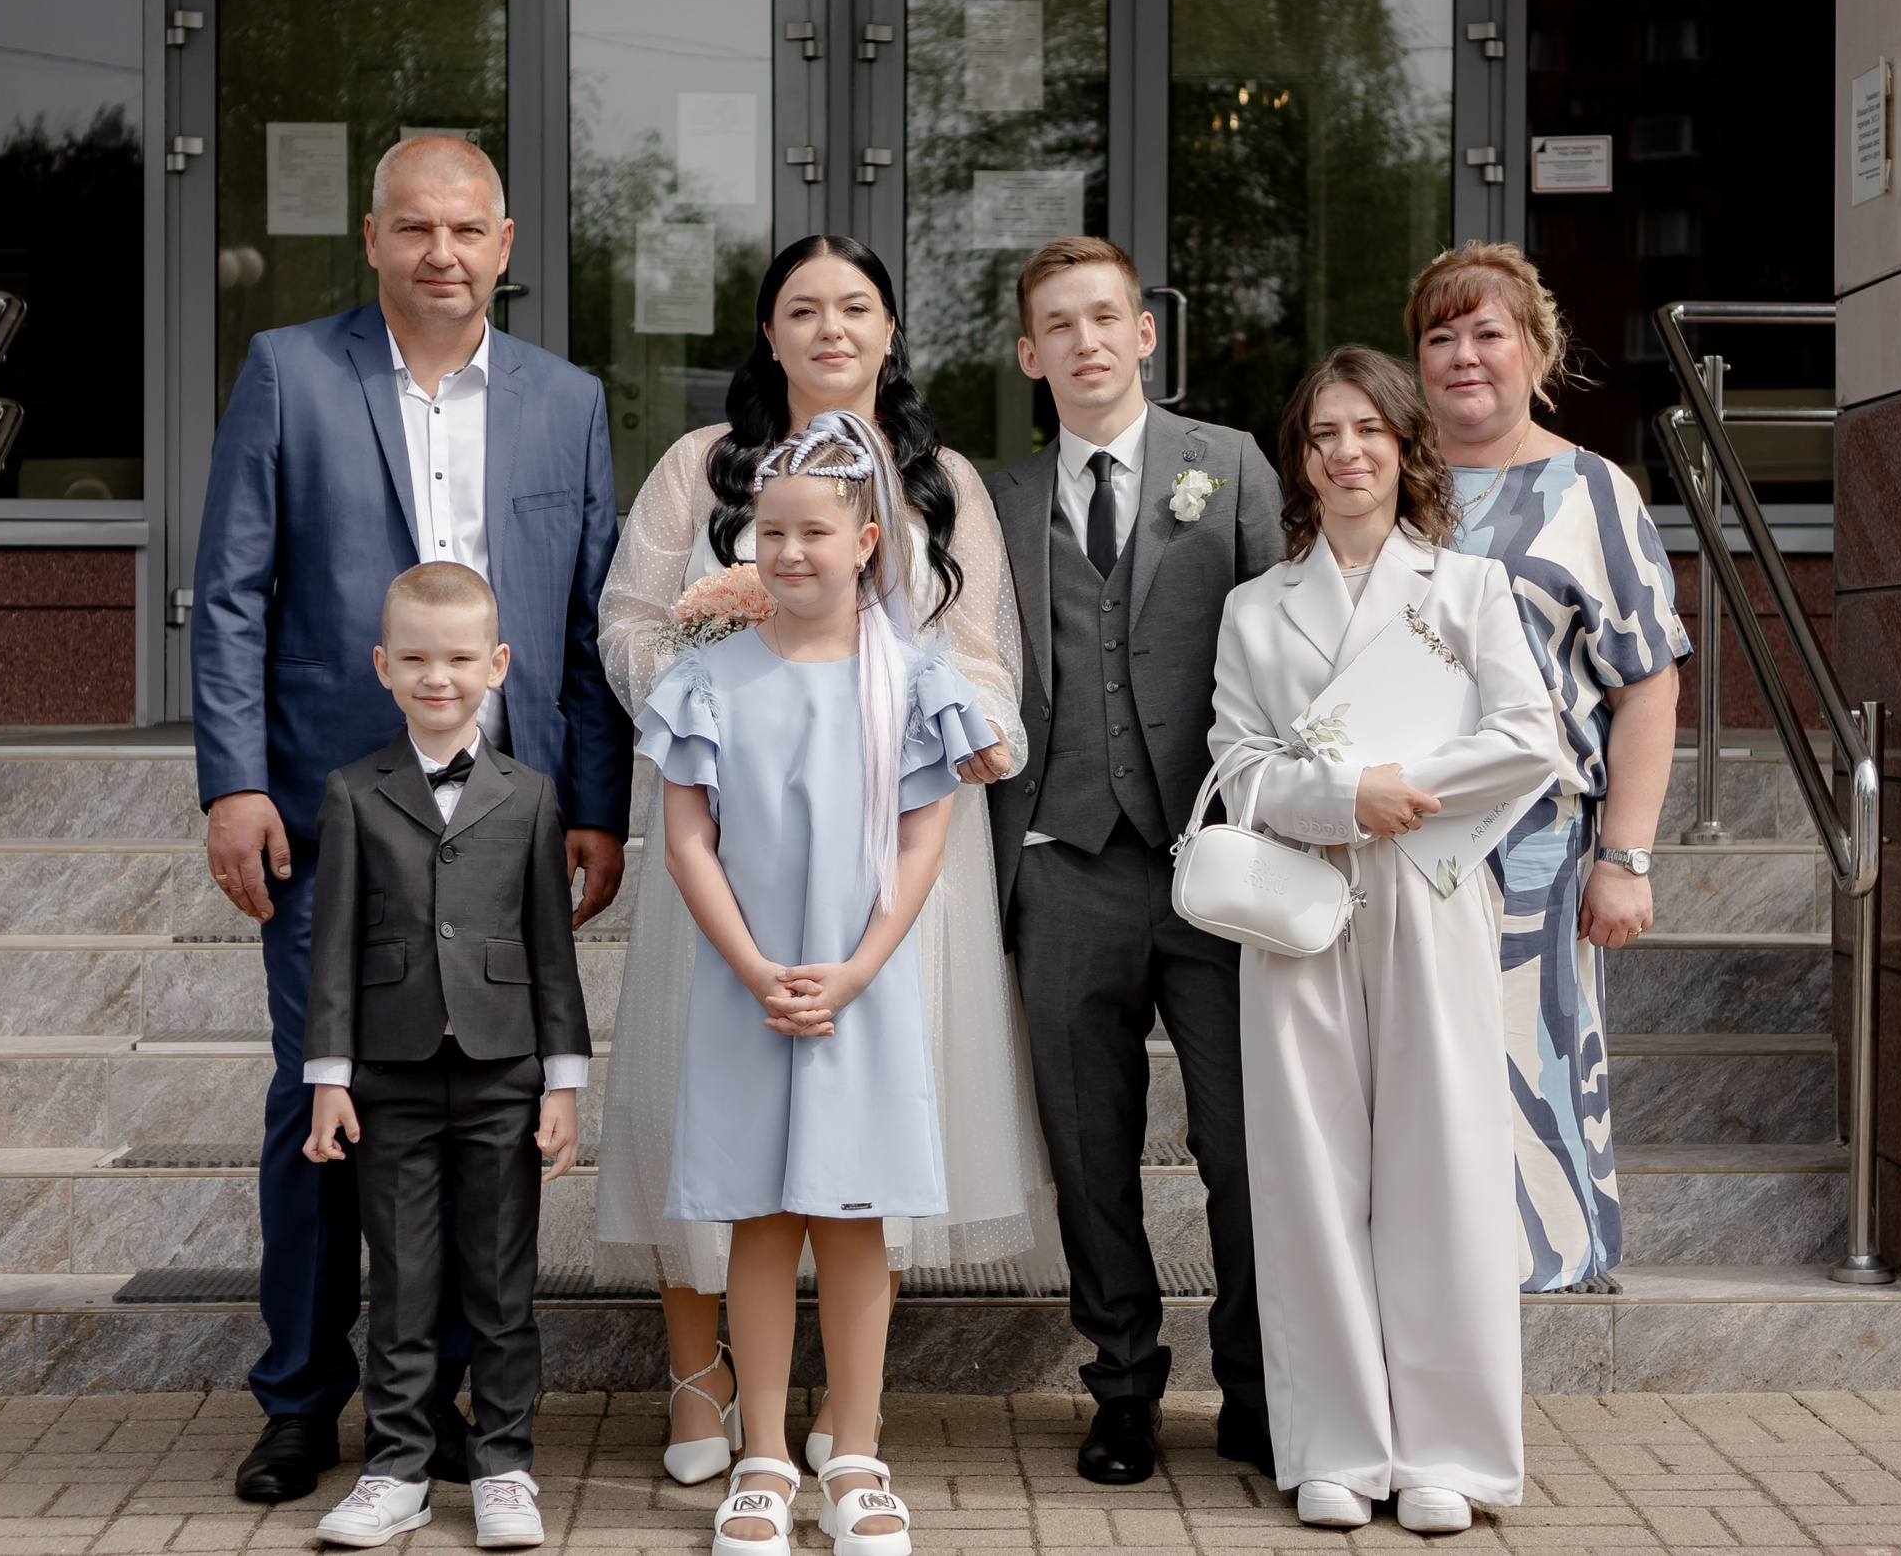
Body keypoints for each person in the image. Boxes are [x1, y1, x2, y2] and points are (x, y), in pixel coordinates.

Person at [193, 134, 632, 1502]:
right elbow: (232, 592)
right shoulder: (291, 371)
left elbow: (585, 615)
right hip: (331, 813)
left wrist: (597, 803)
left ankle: (449, 1403)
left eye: (468, 231)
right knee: (322, 1101)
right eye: (415, 228)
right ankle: (300, 1396)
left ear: (506, 244)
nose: (442, 253)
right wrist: (233, 778)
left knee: (478, 1116)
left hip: (508, 822)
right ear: (374, 238)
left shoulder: (567, 400)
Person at [594, 236, 1050, 1483]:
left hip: (894, 829)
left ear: (890, 331)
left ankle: (854, 1423)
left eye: (855, 307)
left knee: (860, 1120)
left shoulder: (942, 478)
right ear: (770, 332)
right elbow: (625, 621)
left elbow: (985, 645)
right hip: (737, 833)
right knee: (711, 1104)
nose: (830, 328)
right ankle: (705, 1395)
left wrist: (954, 721)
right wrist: (707, 646)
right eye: (803, 308)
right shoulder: (702, 467)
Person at [637, 412, 997, 1556]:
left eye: (814, 534)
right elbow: (687, 839)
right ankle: (761, 1455)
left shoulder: (913, 679)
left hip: (861, 985)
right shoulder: (712, 678)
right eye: (770, 533)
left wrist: (853, 969)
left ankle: (855, 1453)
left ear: (868, 544)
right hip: (752, 984)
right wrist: (754, 969)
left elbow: (921, 845)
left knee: (852, 1216)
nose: (790, 553)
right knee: (759, 1213)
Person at [1206, 346, 1554, 1531]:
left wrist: (1401, 788)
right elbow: (1238, 765)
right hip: (1300, 905)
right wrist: (1339, 799)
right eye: (1321, 436)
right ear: (1300, 462)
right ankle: (1337, 1449)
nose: (1344, 453)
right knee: (1307, 1174)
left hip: (1429, 891)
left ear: (1406, 450)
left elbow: (1529, 735)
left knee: (1442, 1166)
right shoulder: (1257, 607)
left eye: (1366, 432)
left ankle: (1449, 1454)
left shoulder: (1468, 590)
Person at [987, 236, 1281, 1484]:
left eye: (1106, 318)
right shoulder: (992, 498)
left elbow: (1288, 640)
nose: (1087, 341)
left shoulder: (1232, 466)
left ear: (1145, 333)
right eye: (1060, 325)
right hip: (1062, 866)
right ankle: (1120, 1389)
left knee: (1243, 1141)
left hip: (1214, 862)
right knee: (1088, 1148)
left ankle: (1261, 1392)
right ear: (1029, 354)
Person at [1408, 241, 1688, 1295]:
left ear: (1535, 348)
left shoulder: (1591, 491)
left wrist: (1627, 855)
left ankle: (1534, 1270)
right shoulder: (1390, 479)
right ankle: (1429, 1269)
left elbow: (1646, 686)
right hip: (1404, 831)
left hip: (1536, 850)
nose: (1464, 357)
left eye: (1487, 333)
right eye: (1441, 337)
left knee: (1527, 1060)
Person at [299, 563, 591, 1551]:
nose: (438, 677)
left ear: (496, 665)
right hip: (390, 1074)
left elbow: (552, 946)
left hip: (507, 1071)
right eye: (416, 658)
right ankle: (395, 1468)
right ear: (383, 666)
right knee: (404, 1281)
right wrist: (328, 1079)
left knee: (503, 1282)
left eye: (460, 658)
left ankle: (505, 1464)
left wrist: (564, 1084)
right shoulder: (351, 792)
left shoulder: (530, 795)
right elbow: (330, 944)